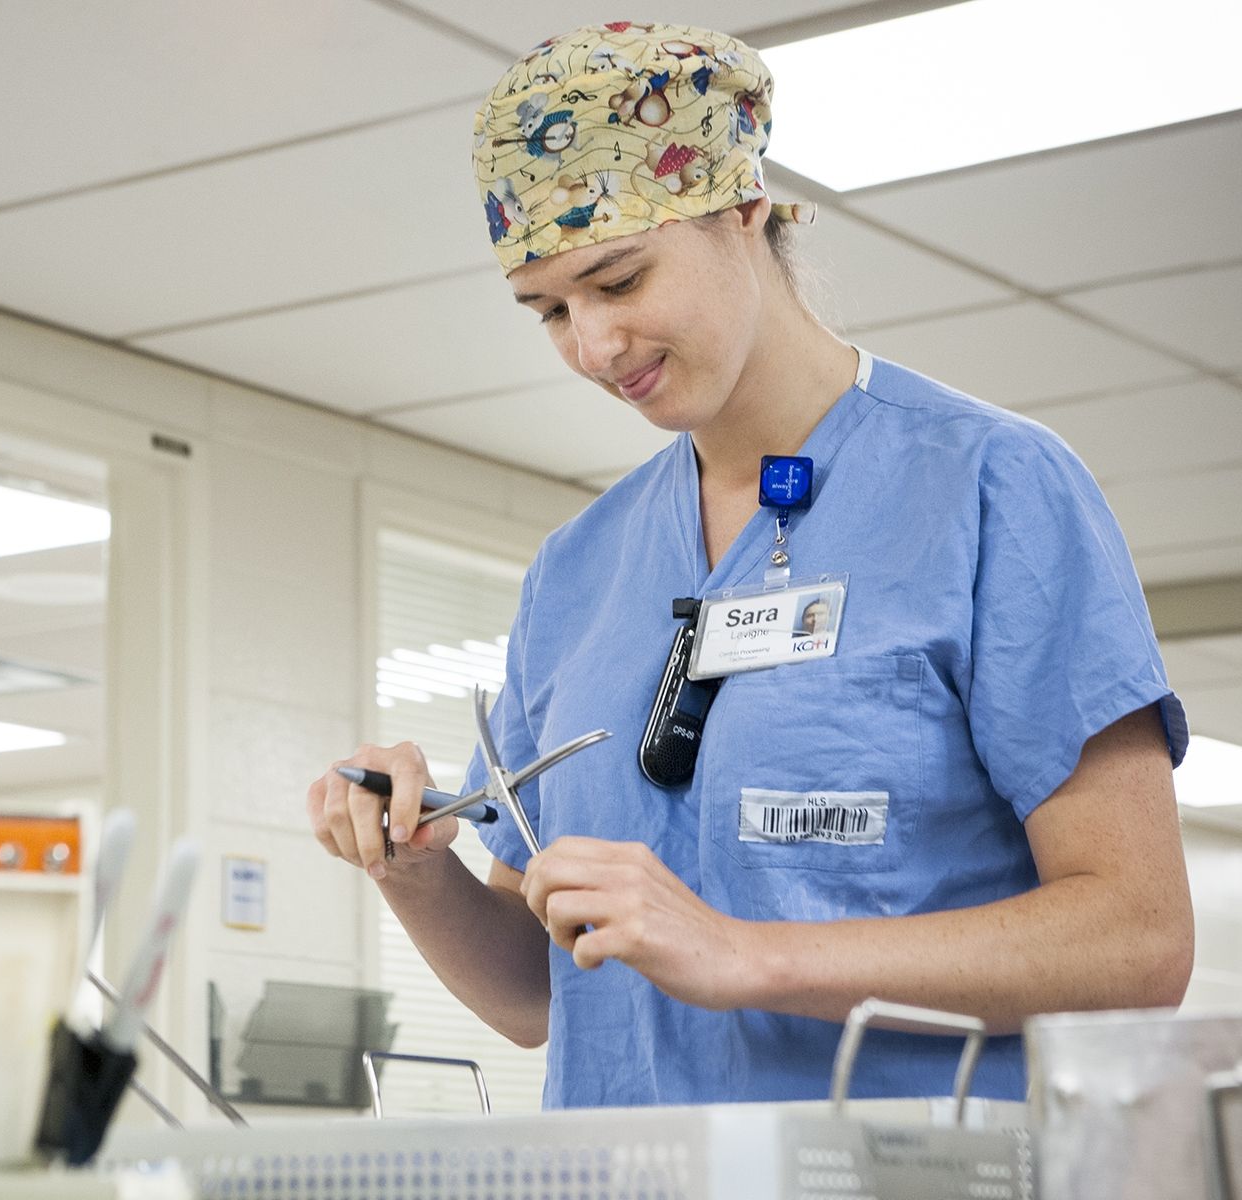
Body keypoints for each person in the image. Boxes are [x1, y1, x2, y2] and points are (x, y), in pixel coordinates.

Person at [305, 21, 1192, 1108]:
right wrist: (414, 869)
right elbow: (542, 994)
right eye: (549, 311)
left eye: (618, 280)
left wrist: (748, 954)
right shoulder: (579, 572)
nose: (591, 346)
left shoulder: (989, 488)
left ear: (743, 208)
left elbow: (1137, 942)